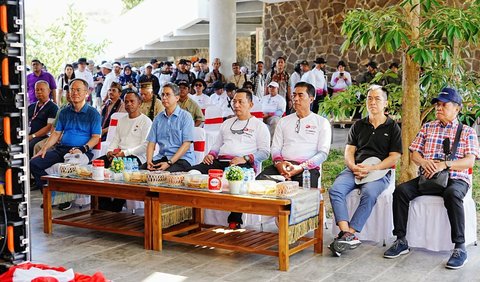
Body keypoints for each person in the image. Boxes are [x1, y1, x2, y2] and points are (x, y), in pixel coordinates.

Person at [384, 88, 479, 269]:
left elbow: (470, 161)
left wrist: (445, 164)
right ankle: (401, 240)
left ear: (457, 109)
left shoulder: (467, 132)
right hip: (428, 178)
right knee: (401, 191)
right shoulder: (428, 127)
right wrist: (424, 162)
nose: (439, 108)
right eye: (437, 105)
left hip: (455, 178)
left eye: (444, 105)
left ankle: (459, 247)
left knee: (452, 194)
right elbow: (414, 154)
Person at [328, 84, 402, 256]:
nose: (372, 102)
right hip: (356, 168)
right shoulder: (358, 125)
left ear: (386, 103)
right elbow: (349, 151)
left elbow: (394, 157)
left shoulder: (393, 127)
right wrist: (353, 166)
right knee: (336, 190)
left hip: (380, 171)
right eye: (369, 98)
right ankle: (345, 233)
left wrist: (373, 168)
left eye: (377, 99)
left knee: (369, 193)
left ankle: (349, 234)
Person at [189, 89, 271, 228]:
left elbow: (265, 153)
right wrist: (210, 155)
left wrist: (245, 158)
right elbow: (216, 145)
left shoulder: (259, 126)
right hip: (220, 162)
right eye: (234, 101)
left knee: (235, 180)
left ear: (250, 104)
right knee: (191, 173)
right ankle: (192, 216)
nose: (236, 105)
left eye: (240, 102)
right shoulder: (227, 123)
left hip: (242, 165)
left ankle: (235, 220)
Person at [30, 78, 101, 192]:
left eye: (78, 90)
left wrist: (82, 149)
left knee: (68, 167)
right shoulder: (64, 112)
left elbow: (96, 137)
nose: (74, 93)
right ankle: (50, 193)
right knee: (34, 163)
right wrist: (44, 148)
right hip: (62, 149)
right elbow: (56, 133)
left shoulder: (93, 113)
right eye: (72, 90)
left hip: (81, 151)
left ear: (86, 93)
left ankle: (64, 198)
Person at [257, 81, 330, 186]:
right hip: (282, 165)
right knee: (260, 183)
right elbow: (275, 148)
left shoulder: (321, 122)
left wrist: (301, 167)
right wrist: (279, 164)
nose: (295, 99)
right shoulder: (283, 121)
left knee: (302, 193)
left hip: (307, 169)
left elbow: (323, 154)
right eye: (294, 95)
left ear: (311, 99)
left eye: (300, 95)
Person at [142, 83, 195, 172]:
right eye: (162, 95)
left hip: (182, 159)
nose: (164, 97)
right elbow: (151, 143)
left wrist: (169, 163)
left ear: (177, 98)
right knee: (142, 171)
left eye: (168, 95)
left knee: (164, 175)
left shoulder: (186, 117)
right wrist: (149, 161)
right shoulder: (158, 118)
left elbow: (186, 145)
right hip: (163, 157)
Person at [28, 80, 59, 157]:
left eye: (42, 89)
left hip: (41, 136)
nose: (39, 92)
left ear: (49, 91)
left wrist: (32, 136)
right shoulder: (31, 106)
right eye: (37, 90)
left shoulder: (53, 107)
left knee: (30, 146)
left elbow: (49, 127)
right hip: (28, 134)